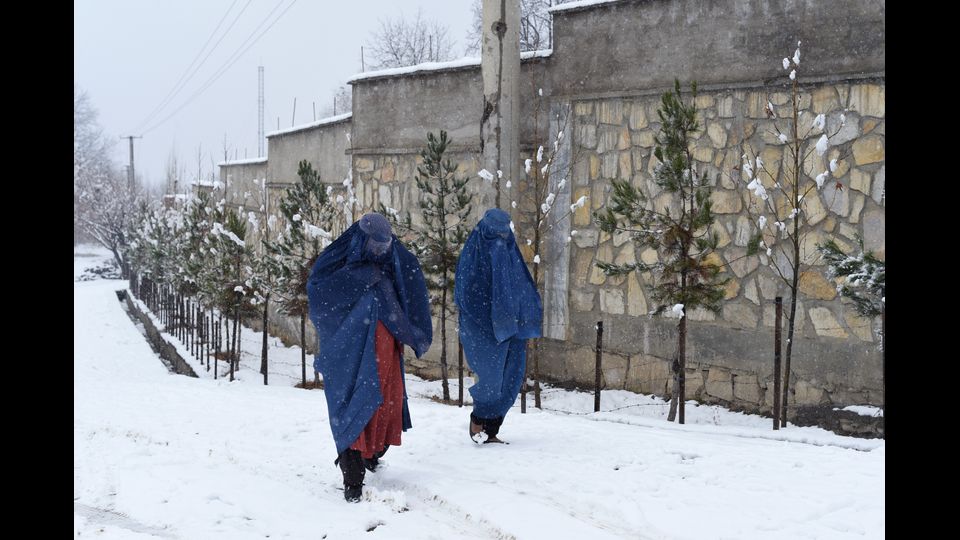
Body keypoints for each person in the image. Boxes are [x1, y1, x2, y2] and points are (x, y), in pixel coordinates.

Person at [307, 212, 432, 502]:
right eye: (374, 245)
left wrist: (407, 329)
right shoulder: (337, 262)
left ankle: (371, 453)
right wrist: (358, 281)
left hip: (384, 350)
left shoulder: (394, 262)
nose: (380, 251)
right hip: (348, 353)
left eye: (384, 245)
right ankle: (353, 476)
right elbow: (319, 292)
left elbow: (409, 286)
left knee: (382, 400)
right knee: (352, 403)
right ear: (362, 239)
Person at [454, 208, 543, 444]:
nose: (499, 239)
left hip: (512, 327)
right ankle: (479, 418)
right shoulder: (473, 255)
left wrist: (519, 315)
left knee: (511, 377)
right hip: (483, 329)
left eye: (504, 233)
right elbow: (466, 295)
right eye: (495, 234)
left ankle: (492, 429)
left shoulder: (508, 251)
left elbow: (520, 286)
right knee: (491, 378)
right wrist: (492, 321)